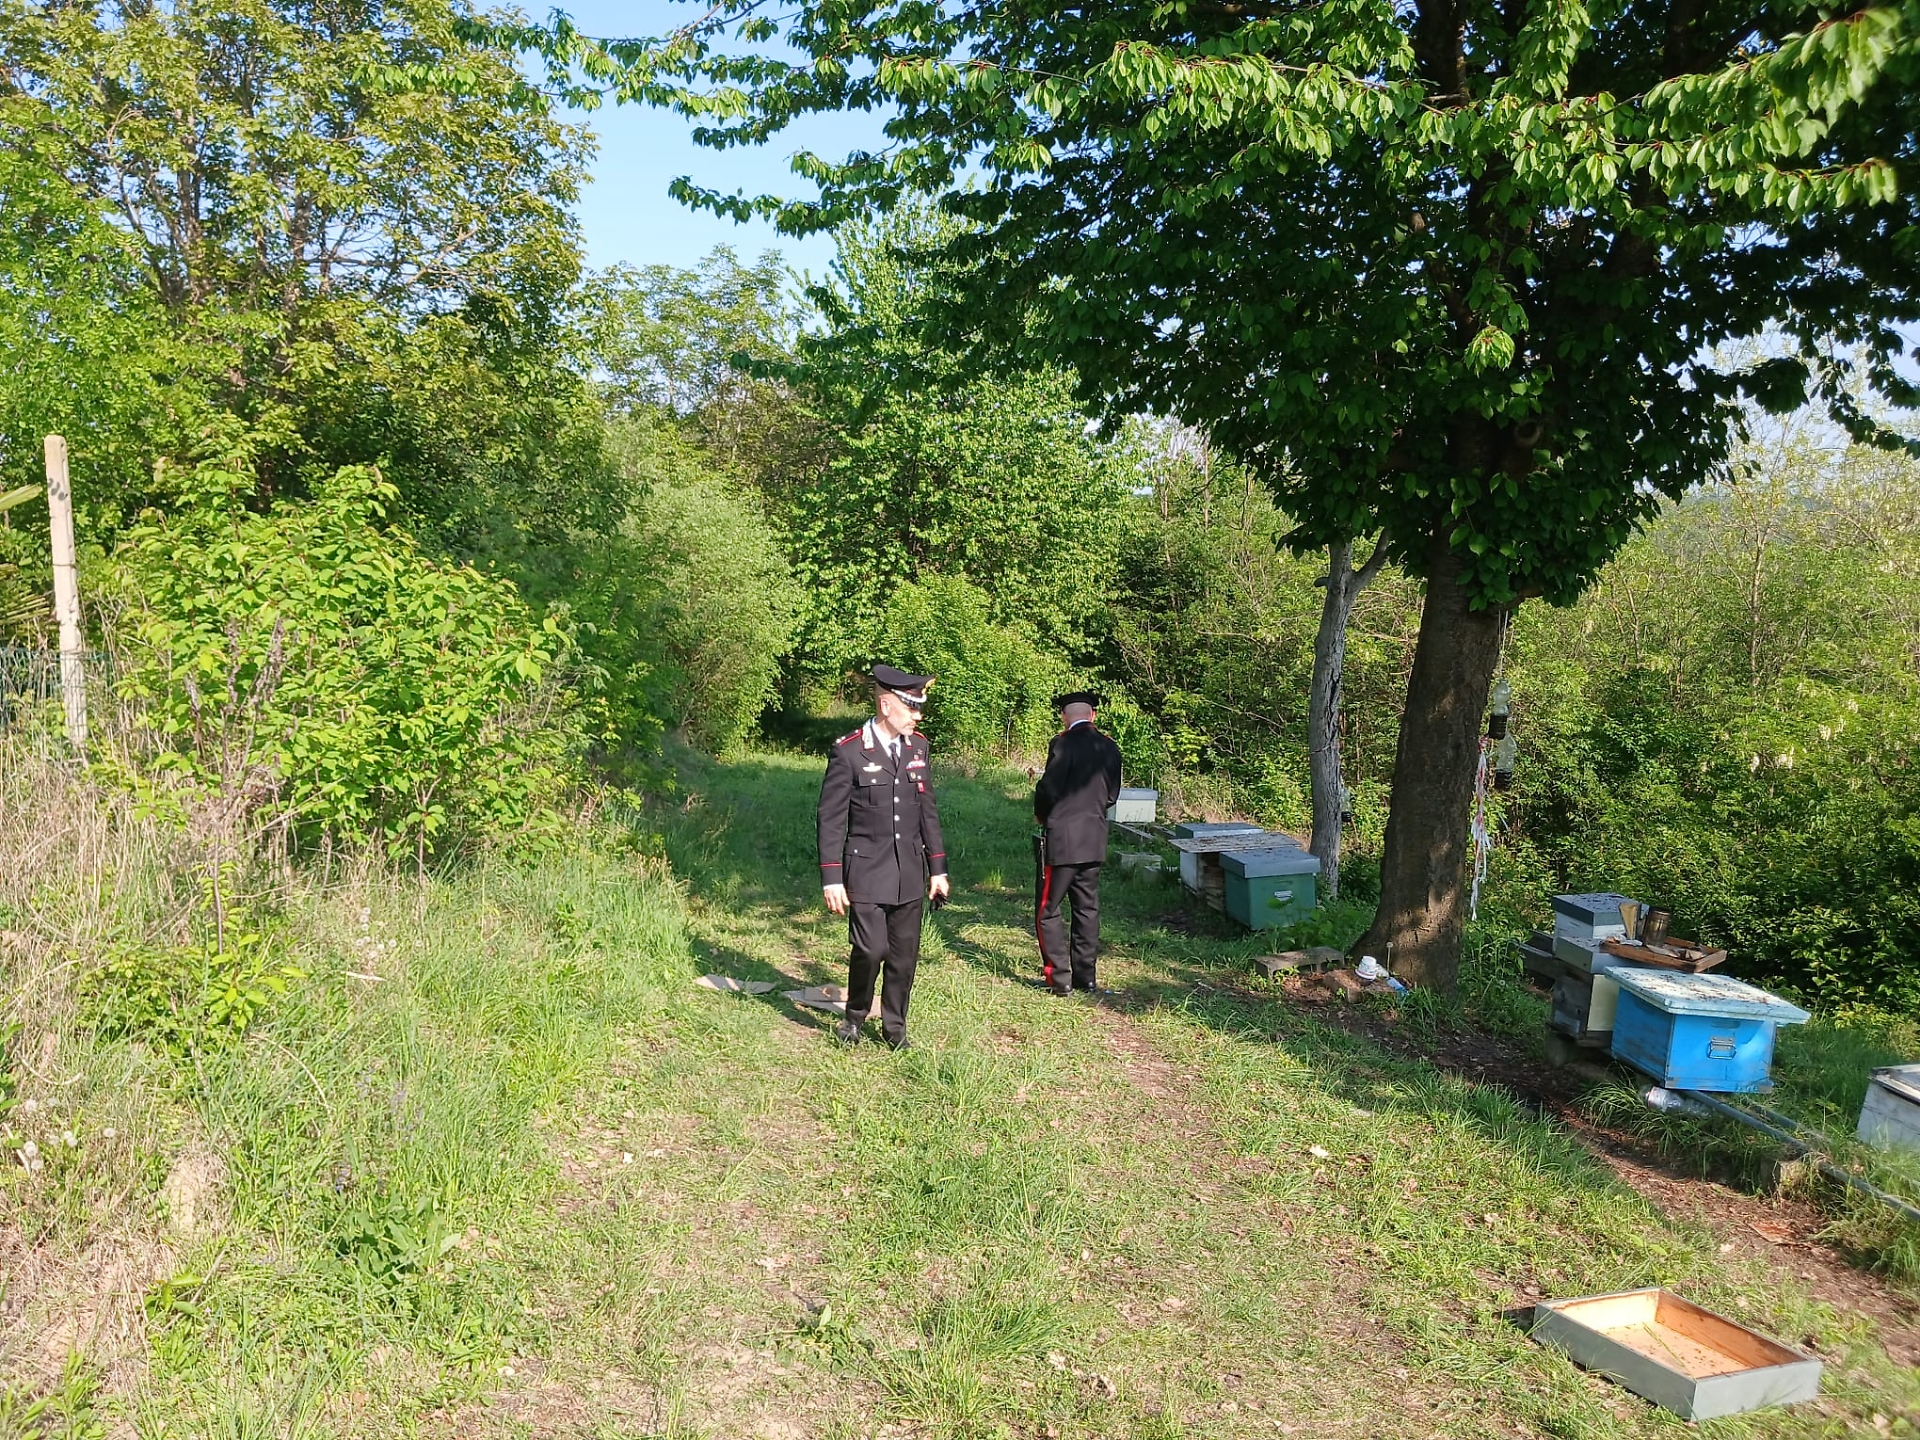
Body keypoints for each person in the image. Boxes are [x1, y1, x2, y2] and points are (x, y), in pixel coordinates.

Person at [817, 664, 950, 1048]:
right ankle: (855, 1016)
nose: (917, 716)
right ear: (886, 705)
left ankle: (895, 1028)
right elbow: (830, 817)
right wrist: (831, 877)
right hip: (866, 869)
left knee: (904, 956)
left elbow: (927, 811)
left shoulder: (918, 747)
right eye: (911, 708)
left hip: (908, 869)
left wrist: (937, 869)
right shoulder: (849, 751)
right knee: (871, 949)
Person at [1033, 691, 1123, 995]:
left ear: (1064, 716)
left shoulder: (1062, 743)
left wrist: (1041, 814)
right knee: (1087, 909)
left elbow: (1049, 787)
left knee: (1048, 909)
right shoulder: (1109, 746)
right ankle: (1086, 978)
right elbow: (1112, 794)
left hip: (1062, 840)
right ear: (1093, 715)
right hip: (1094, 837)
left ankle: (1059, 979)